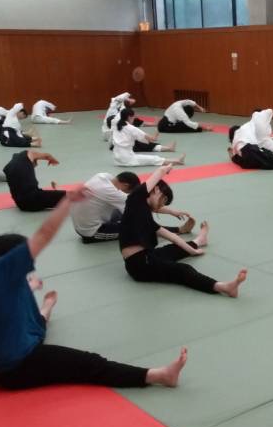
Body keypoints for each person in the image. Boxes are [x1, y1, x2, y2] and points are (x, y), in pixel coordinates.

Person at [0, 191, 189, 391]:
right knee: (88, 363)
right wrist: (67, 202)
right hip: (11, 369)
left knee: (36, 325)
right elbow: (43, 235)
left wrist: (32, 287)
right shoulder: (0, 278)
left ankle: (46, 308)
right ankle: (158, 376)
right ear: (8, 262)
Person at [120, 165, 245, 297]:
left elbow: (173, 237)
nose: (162, 204)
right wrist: (168, 167)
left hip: (146, 256)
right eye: (163, 199)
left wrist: (193, 251)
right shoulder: (134, 200)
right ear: (156, 189)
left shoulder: (145, 218)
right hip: (139, 265)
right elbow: (159, 172)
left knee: (173, 249)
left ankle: (199, 240)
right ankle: (223, 287)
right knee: (183, 270)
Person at [67, 170, 197, 242]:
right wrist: (171, 211)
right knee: (138, 227)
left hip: (86, 220)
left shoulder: (103, 176)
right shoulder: (112, 192)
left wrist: (171, 211)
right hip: (91, 231)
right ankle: (179, 230)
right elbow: (140, 206)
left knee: (130, 213)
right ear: (125, 185)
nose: (129, 194)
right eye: (129, 192)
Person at [111, 108, 183, 167]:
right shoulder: (131, 128)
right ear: (129, 117)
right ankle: (176, 161)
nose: (134, 119)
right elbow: (152, 139)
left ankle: (175, 160)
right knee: (152, 159)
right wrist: (158, 129)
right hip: (127, 159)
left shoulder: (116, 125)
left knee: (147, 157)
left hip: (117, 158)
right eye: (133, 117)